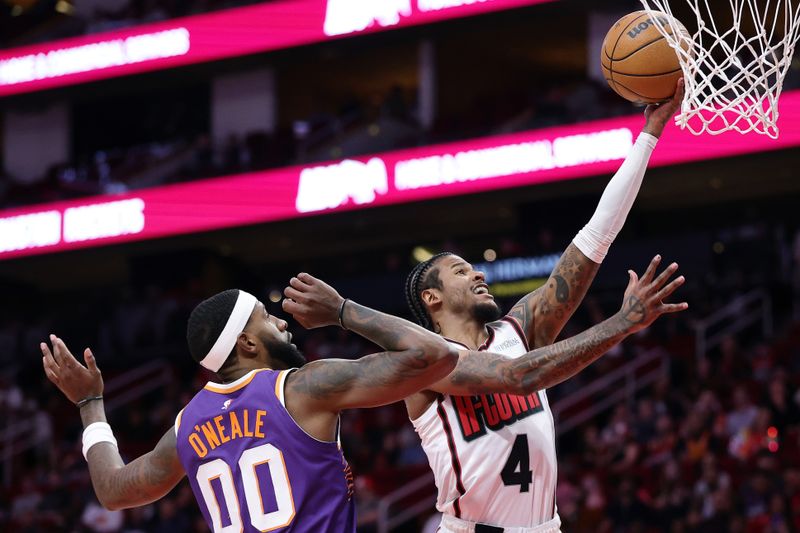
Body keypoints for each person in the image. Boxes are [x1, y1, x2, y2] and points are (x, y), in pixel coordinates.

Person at [399, 83, 687, 532]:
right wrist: (622, 324)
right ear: (431, 298)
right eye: (460, 271)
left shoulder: (519, 329)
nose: (477, 274)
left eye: (473, 268)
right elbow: (522, 375)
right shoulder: (427, 360)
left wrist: (650, 132)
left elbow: (594, 238)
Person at [41, 282, 459, 532]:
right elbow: (435, 355)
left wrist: (89, 403)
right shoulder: (301, 388)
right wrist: (341, 311)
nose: (282, 322)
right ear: (247, 343)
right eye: (266, 317)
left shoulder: (187, 425)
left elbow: (113, 491)